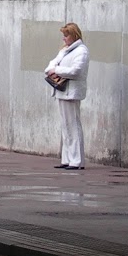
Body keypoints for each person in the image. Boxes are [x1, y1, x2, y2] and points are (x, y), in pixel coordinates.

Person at [44, 23, 90, 170]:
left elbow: (75, 71)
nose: (64, 39)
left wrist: (56, 70)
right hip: (62, 91)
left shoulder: (81, 51)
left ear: (74, 35)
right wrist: (53, 69)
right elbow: (51, 64)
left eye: (66, 35)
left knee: (73, 125)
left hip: (72, 92)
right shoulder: (65, 51)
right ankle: (67, 159)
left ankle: (77, 160)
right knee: (65, 126)